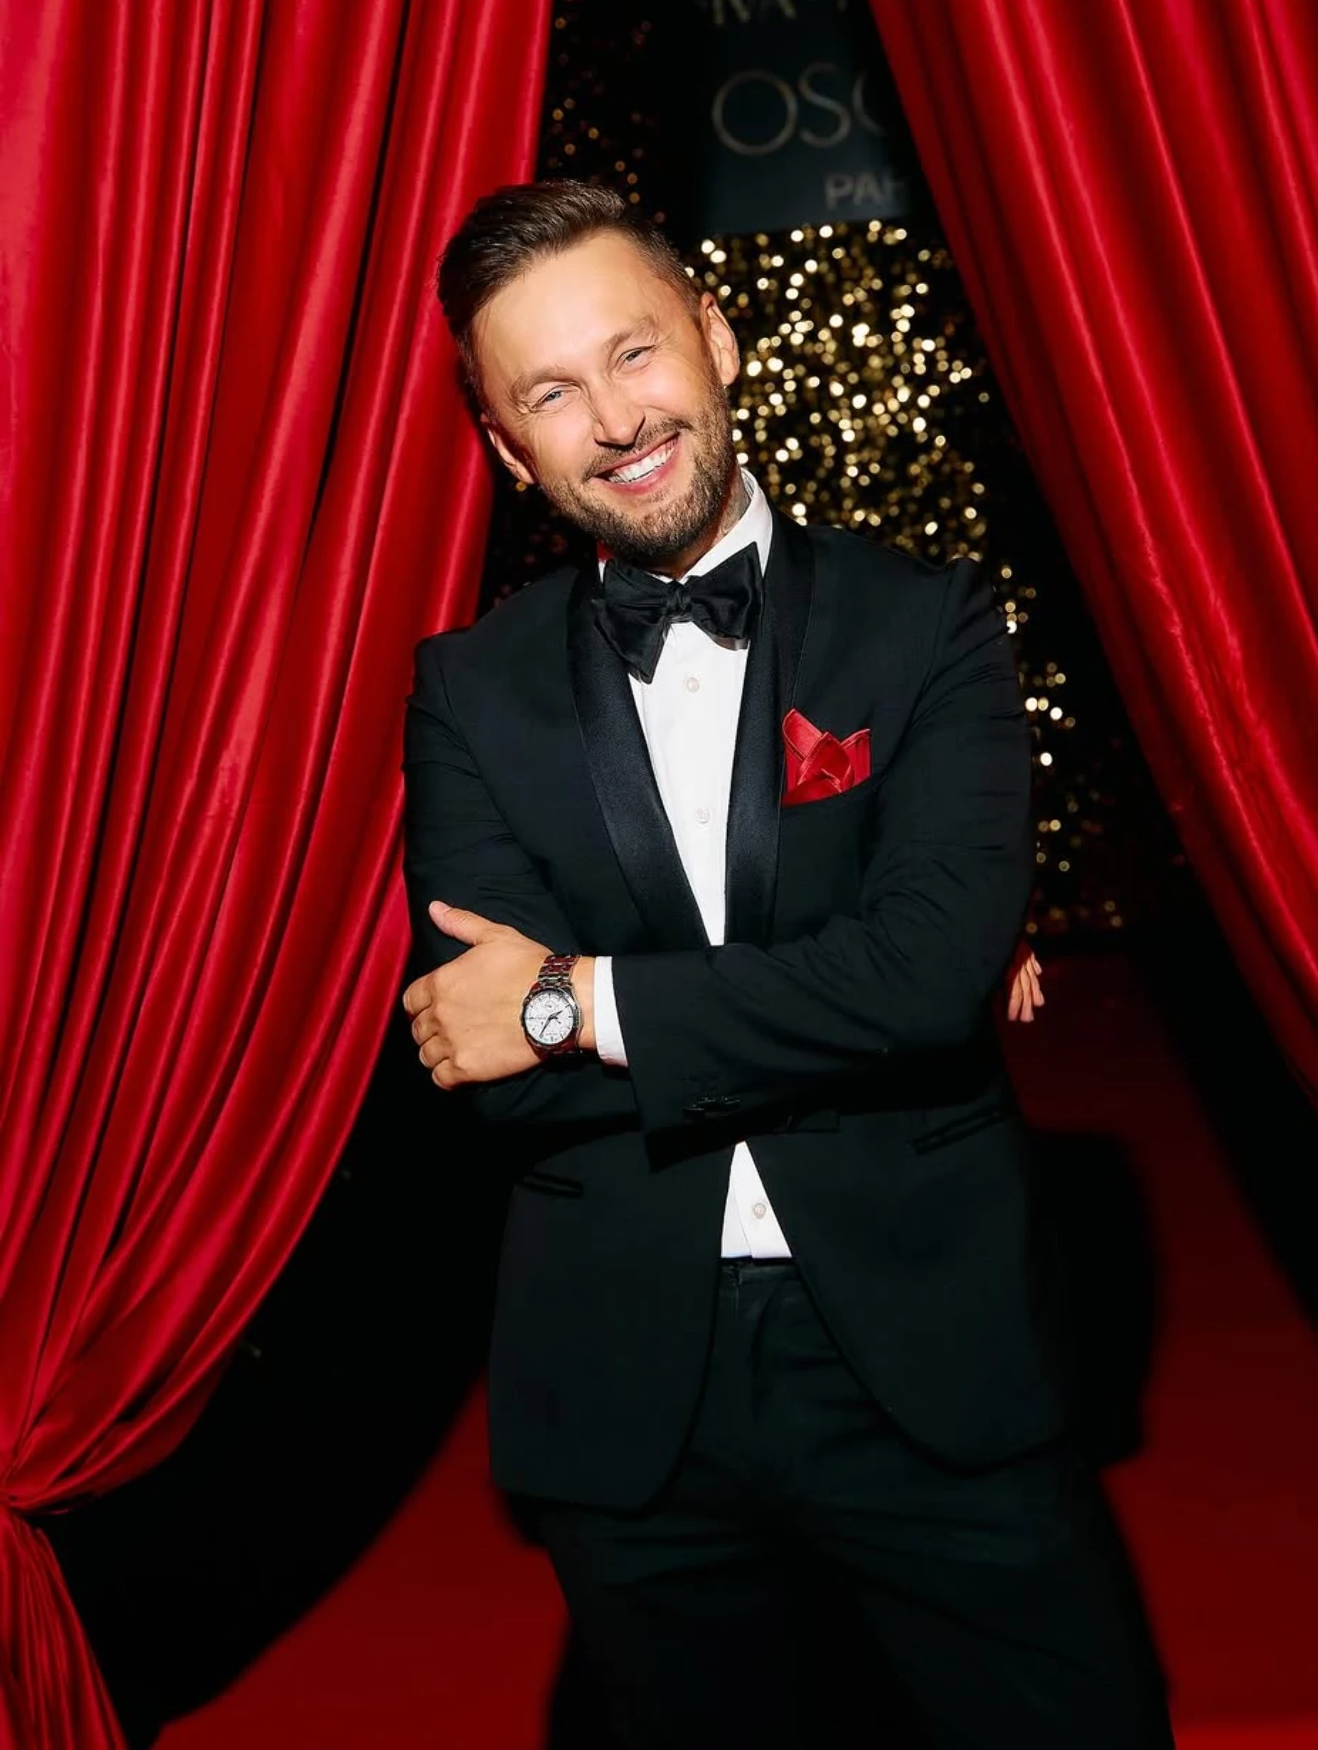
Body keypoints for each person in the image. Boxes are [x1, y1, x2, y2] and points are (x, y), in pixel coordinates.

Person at [401, 179, 1171, 1748]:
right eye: (553, 393)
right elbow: (489, 1071)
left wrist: (577, 1001)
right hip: (630, 1389)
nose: (618, 420)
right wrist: (849, 990)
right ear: (505, 447)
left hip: (930, 1352)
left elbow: (928, 980)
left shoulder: (927, 623)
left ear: (717, 335)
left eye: (635, 352)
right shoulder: (469, 694)